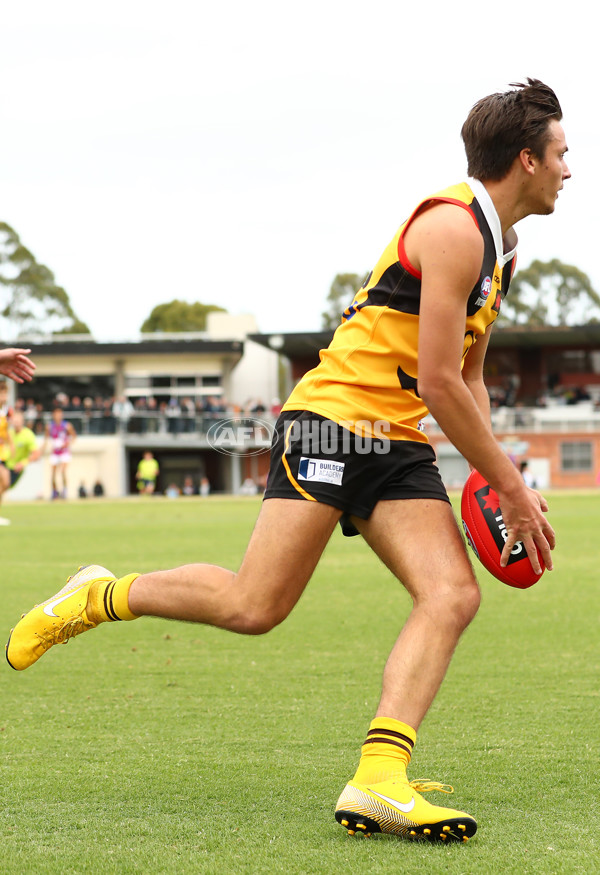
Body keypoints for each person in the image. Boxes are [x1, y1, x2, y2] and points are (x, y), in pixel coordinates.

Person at [6, 79, 565, 844]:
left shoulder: (501, 249)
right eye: (562, 154)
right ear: (527, 158)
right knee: (254, 605)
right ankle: (99, 595)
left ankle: (378, 779)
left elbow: (466, 376)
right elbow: (438, 379)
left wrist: (489, 481)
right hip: (334, 423)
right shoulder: (454, 228)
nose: (571, 169)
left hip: (395, 438)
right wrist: (515, 487)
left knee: (451, 593)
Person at [0, 411, 41, 524]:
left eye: (18, 420)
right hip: (4, 463)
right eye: (14, 420)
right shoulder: (8, 432)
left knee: (3, 488)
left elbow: (36, 454)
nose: (16, 422)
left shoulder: (28, 435)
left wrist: (23, 463)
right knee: (4, 484)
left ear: (23, 421)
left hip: (16, 469)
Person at [43, 407, 76, 499]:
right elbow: (45, 439)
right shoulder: (49, 426)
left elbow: (74, 437)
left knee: (63, 471)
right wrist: (42, 449)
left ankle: (64, 490)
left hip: (64, 452)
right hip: (55, 452)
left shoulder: (67, 425)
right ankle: (54, 492)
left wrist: (67, 444)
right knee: (53, 473)